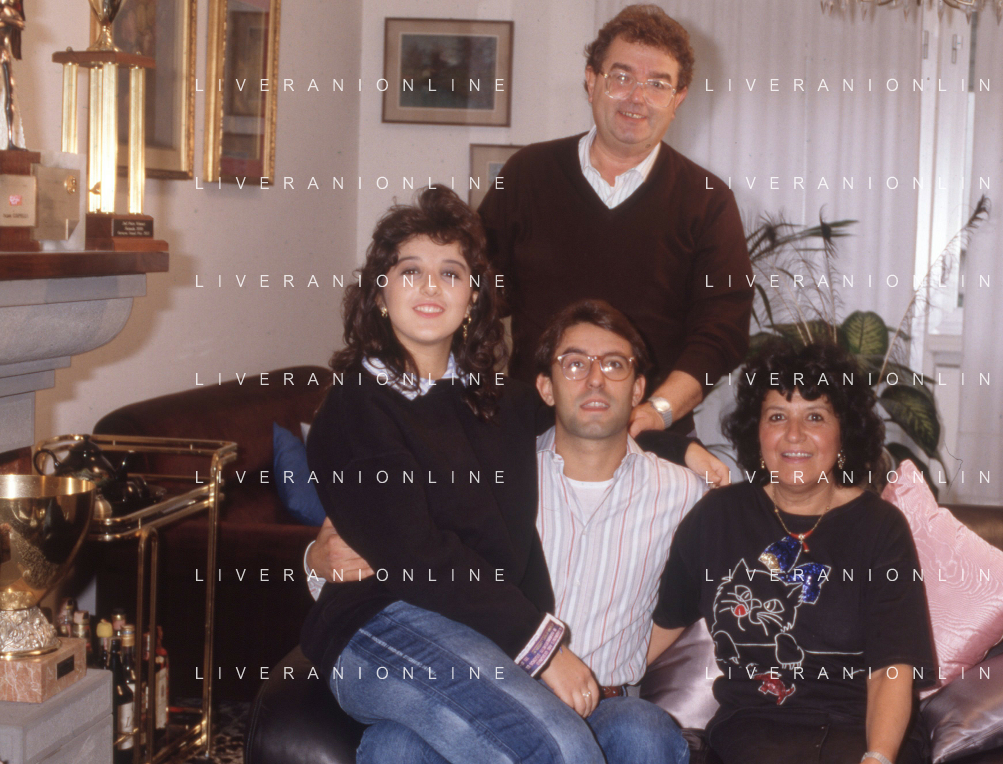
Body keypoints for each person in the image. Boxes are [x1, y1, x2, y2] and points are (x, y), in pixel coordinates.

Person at [300, 187, 709, 764]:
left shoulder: (496, 402)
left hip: (474, 635)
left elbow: (587, 413)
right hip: (380, 625)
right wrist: (541, 646)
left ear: (473, 296)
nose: (431, 286)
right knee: (557, 749)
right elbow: (418, 556)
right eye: (411, 270)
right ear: (380, 291)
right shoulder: (357, 407)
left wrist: (679, 446)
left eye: (451, 273)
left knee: (416, 749)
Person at [647, 340, 936, 764]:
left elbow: (891, 670)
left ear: (843, 433)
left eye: (814, 416)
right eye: (777, 416)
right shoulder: (718, 518)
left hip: (861, 730)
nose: (794, 434)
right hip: (753, 734)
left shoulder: (880, 528)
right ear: (757, 431)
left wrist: (877, 757)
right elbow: (656, 629)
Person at [477, 4, 754, 437]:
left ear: (678, 98)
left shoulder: (708, 200)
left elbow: (722, 333)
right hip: (532, 433)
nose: (636, 98)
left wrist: (656, 412)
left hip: (652, 438)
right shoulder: (527, 174)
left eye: (657, 84)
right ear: (591, 81)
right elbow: (478, 294)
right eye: (621, 77)